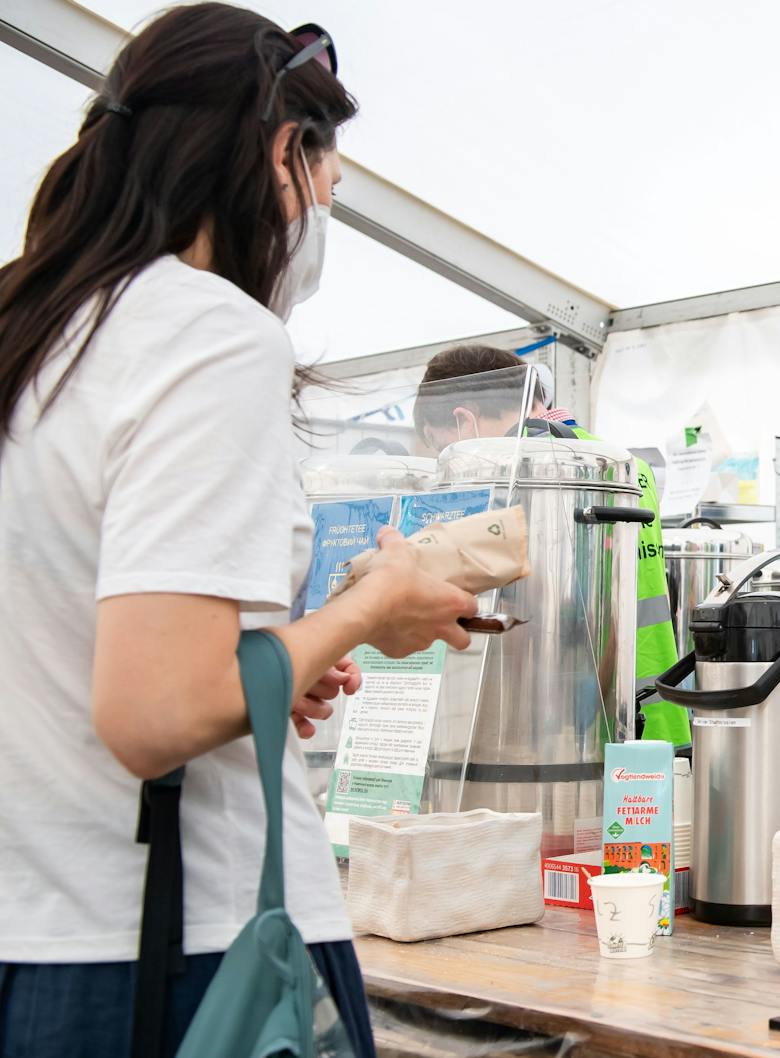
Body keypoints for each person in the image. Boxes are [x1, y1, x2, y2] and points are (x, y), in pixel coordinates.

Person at [0, 8, 477, 1055]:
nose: (319, 217)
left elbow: (70, 646)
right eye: (329, 185)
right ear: (280, 152)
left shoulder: (33, 332)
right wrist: (368, 608)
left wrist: (260, 668)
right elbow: (152, 708)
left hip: (33, 931)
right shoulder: (209, 331)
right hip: (180, 949)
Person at [412, 345, 686, 745]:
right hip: (655, 708)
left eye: (443, 449)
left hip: (564, 728)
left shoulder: (525, 467)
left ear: (463, 421)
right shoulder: (624, 462)